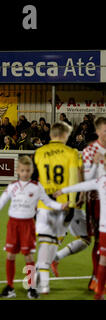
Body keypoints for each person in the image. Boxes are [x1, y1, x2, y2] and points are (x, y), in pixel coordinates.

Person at [0, 156, 67, 299]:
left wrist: (60, 206)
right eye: (22, 170)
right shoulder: (12, 186)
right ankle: (10, 287)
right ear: (17, 171)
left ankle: (31, 288)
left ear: (32, 170)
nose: (25, 173)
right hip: (13, 224)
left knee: (28, 255)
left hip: (27, 225)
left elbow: (48, 202)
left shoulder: (37, 187)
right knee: (10, 255)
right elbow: (0, 203)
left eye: (27, 170)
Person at [33, 122, 80, 294]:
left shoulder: (39, 153)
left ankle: (36, 280)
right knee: (50, 246)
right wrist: (72, 206)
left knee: (46, 245)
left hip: (43, 205)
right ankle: (41, 284)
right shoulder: (71, 153)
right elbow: (74, 182)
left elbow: (34, 180)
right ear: (63, 135)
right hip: (63, 205)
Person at [53, 153, 106, 300]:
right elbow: (83, 184)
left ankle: (98, 287)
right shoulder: (97, 178)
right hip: (70, 209)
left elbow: (83, 185)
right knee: (88, 243)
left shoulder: (97, 179)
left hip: (64, 208)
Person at [82, 116, 106, 292]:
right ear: (97, 131)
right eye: (104, 130)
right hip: (97, 199)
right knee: (99, 240)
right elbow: (87, 178)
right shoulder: (89, 150)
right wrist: (96, 163)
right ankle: (96, 277)